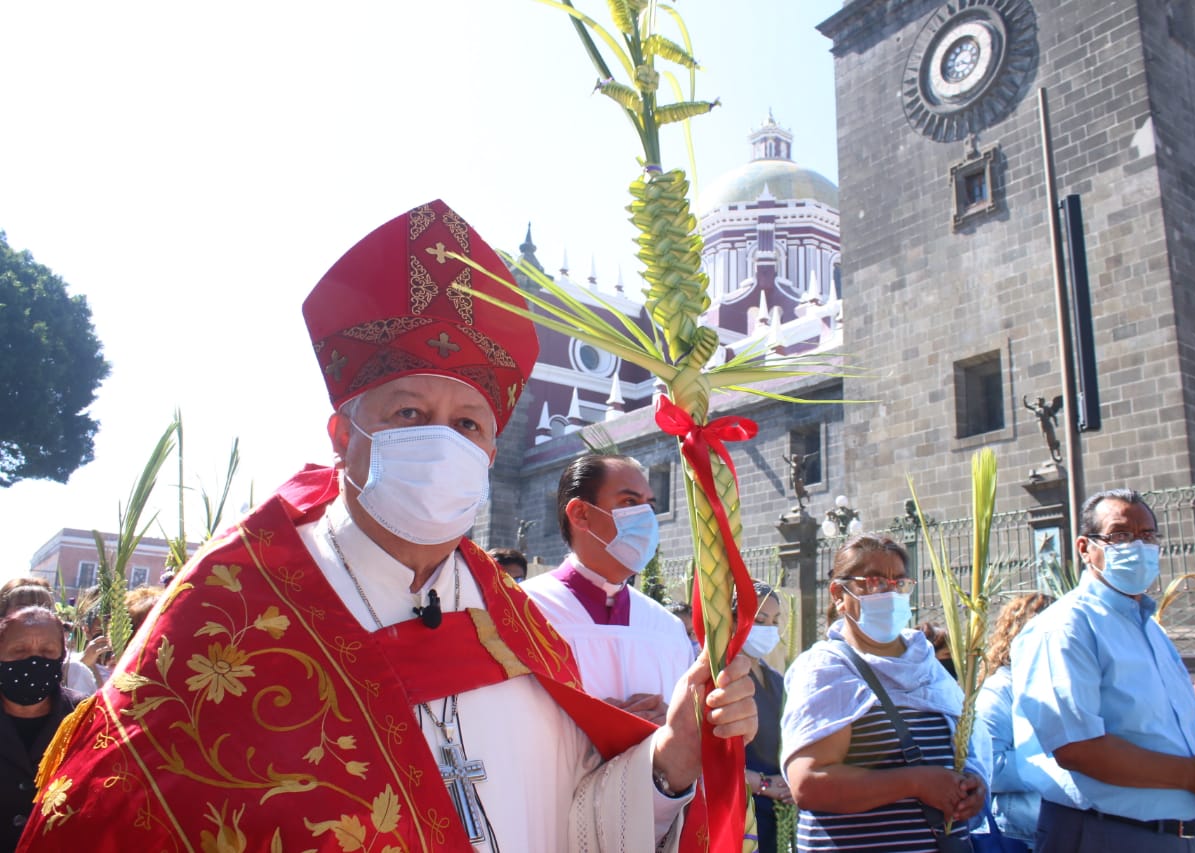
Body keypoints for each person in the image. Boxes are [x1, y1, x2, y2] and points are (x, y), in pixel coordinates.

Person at [17, 200, 757, 852]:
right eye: (409, 413)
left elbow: (578, 820)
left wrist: (671, 756)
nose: (443, 442)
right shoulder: (229, 615)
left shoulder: (517, 628)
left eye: (467, 422)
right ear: (342, 435)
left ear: (492, 450)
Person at [1012, 488, 1195, 852]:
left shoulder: (1150, 630)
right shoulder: (1067, 627)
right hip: (1105, 833)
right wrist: (1194, 776)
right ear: (1084, 548)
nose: (1138, 546)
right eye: (1120, 535)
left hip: (1178, 833)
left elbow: (1164, 737)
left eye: (1147, 536)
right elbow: (1077, 747)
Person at [781, 534, 989, 851]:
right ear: (839, 593)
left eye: (899, 583)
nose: (890, 593)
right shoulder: (826, 670)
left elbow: (962, 750)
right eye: (874, 582)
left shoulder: (930, 668)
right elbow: (808, 783)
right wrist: (916, 782)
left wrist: (973, 786)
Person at [520, 454, 695, 725]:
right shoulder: (523, 611)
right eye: (629, 502)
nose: (647, 518)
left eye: (649, 505)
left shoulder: (667, 628)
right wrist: (598, 727)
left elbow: (688, 729)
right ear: (581, 514)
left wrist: (669, 727)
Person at [970, 592, 1054, 851]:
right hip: (1018, 832)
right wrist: (1061, 765)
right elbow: (990, 765)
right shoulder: (1002, 688)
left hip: (1056, 826)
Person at [0, 607, 86, 852]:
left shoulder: (84, 715)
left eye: (47, 652)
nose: (33, 660)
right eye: (19, 651)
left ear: (62, 656)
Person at [737, 580, 793, 853]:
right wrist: (765, 784)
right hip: (742, 813)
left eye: (774, 621)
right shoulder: (722, 680)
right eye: (760, 620)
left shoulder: (778, 681)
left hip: (780, 812)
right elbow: (707, 761)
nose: (769, 629)